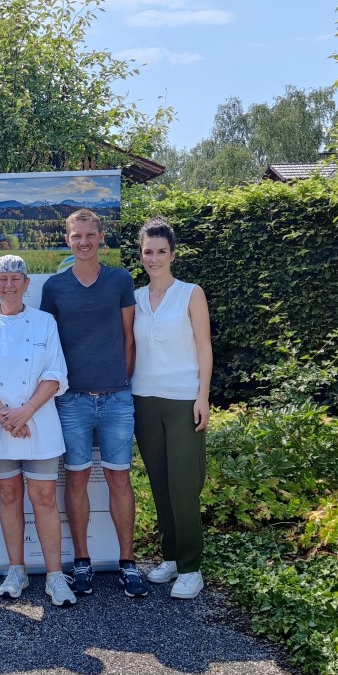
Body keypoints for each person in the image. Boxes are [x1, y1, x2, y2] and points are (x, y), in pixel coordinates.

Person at [39, 208, 149, 599]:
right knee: (78, 478)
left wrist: (120, 381)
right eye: (75, 236)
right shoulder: (53, 288)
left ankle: (127, 562)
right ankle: (81, 562)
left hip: (117, 398)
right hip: (72, 401)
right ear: (67, 239)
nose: (83, 242)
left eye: (89, 235)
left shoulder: (120, 280)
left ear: (101, 237)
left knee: (120, 477)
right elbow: (47, 346)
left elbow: (129, 339)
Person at [0, 255, 76, 607]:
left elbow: (56, 374)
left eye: (16, 278)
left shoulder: (44, 323)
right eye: (2, 278)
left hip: (38, 422)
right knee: (9, 497)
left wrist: (25, 412)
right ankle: (16, 568)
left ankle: (55, 575)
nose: (9, 284)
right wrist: (3, 414)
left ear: (27, 284)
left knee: (43, 500)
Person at [131, 216, 213, 600]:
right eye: (148, 251)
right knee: (160, 485)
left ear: (173, 255)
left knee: (183, 485)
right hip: (143, 400)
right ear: (141, 254)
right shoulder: (133, 298)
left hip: (183, 400)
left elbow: (204, 348)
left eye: (161, 251)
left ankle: (192, 567)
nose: (154, 258)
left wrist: (203, 397)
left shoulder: (191, 293)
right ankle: (171, 559)